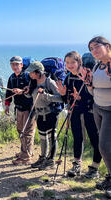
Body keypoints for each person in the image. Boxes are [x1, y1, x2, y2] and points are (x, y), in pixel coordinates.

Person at [56, 51, 101, 178]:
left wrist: (81, 97)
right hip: (75, 111)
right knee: (77, 138)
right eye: (67, 62)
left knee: (95, 139)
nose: (69, 65)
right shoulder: (69, 77)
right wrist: (63, 94)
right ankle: (76, 165)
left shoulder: (87, 76)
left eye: (72, 62)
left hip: (89, 112)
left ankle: (95, 168)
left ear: (79, 62)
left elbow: (94, 95)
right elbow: (67, 100)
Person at [81, 36, 111, 197]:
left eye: (96, 47)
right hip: (98, 107)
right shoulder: (97, 66)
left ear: (107, 45)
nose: (93, 51)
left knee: (104, 146)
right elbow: (93, 91)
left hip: (109, 110)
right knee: (106, 145)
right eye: (91, 48)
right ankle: (110, 177)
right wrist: (88, 84)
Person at [25, 61, 63, 170]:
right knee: (42, 137)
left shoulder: (49, 82)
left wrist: (45, 95)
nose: (30, 75)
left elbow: (60, 98)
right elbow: (31, 97)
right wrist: (26, 92)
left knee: (52, 137)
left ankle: (51, 161)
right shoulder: (33, 83)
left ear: (39, 72)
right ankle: (43, 158)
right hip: (39, 113)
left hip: (51, 113)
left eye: (32, 72)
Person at [5, 56, 36, 165]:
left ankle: (26, 157)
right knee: (20, 130)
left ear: (22, 65)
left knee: (27, 132)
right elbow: (8, 93)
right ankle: (26, 152)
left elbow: (32, 90)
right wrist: (7, 105)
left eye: (17, 64)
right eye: (13, 64)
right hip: (18, 108)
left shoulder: (28, 76)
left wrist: (22, 91)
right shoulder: (12, 77)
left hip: (29, 108)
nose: (15, 66)